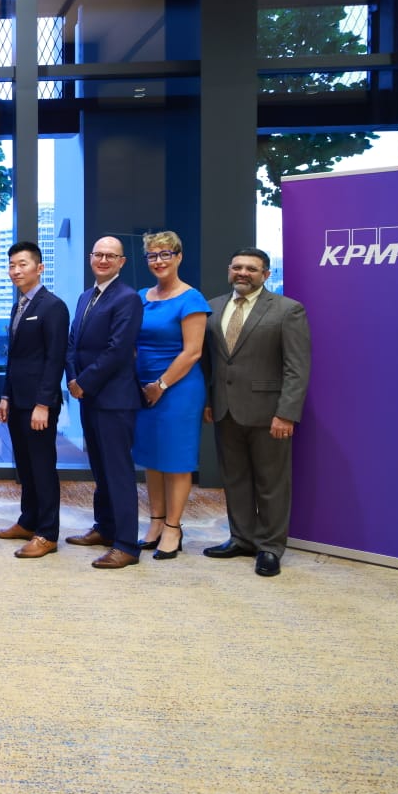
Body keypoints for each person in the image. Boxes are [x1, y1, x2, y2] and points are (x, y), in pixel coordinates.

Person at [202, 247, 311, 578]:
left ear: (266, 274)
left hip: (269, 413)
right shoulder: (213, 307)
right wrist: (209, 400)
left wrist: (287, 413)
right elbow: (211, 362)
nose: (243, 273)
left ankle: (270, 547)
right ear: (229, 270)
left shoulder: (287, 310)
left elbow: (297, 367)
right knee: (235, 479)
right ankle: (242, 538)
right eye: (237, 267)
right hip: (225, 409)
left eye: (252, 268)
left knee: (272, 483)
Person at [65, 236, 145, 569]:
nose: (103, 260)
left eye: (110, 255)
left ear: (122, 262)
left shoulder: (127, 299)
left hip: (113, 399)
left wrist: (84, 381)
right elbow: (73, 344)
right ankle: (105, 528)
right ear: (90, 258)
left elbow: (118, 349)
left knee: (118, 472)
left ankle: (126, 545)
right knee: (99, 469)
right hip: (89, 397)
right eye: (98, 254)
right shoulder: (86, 296)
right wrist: (73, 378)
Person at [132, 231, 211, 561]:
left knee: (176, 461)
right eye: (152, 255)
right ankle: (155, 521)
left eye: (166, 254)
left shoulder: (191, 299)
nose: (159, 260)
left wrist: (160, 385)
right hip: (142, 388)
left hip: (177, 389)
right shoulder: (140, 296)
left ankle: (174, 528)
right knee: (152, 458)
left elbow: (193, 352)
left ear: (179, 257)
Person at [0, 242, 70, 560]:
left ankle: (47, 533)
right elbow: (15, 358)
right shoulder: (18, 305)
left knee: (42, 467)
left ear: (39, 268)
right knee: (24, 465)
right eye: (11, 265)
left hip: (39, 404)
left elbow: (55, 359)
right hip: (18, 400)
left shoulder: (53, 306)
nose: (15, 270)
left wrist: (43, 404)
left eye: (22, 264)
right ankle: (28, 521)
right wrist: (5, 395)